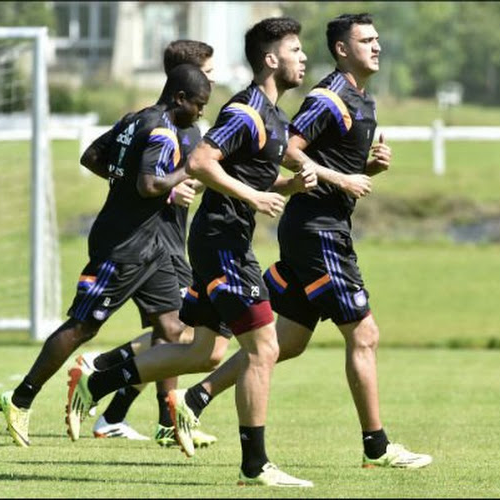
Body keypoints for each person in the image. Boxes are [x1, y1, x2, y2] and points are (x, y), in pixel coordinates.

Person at [165, 13, 432, 470]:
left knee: (284, 341)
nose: (377, 45)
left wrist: (365, 170)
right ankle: (377, 446)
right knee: (364, 334)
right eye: (366, 39)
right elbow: (291, 148)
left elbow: (316, 163)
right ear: (343, 49)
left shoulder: (361, 100)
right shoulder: (329, 97)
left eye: (377, 37)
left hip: (323, 227)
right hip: (318, 232)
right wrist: (341, 178)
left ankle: (196, 396)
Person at [65, 17, 316, 487]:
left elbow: (255, 179)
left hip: (225, 240)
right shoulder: (246, 111)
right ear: (270, 59)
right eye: (295, 50)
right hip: (221, 241)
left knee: (204, 351)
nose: (303, 59)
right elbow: (201, 163)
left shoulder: (278, 119)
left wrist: (288, 184)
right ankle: (254, 466)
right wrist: (254, 198)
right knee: (265, 348)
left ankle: (97, 380)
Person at [0, 63, 212, 448]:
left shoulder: (136, 120)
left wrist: (130, 185)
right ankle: (19, 399)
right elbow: (149, 184)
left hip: (156, 249)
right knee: (83, 327)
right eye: (198, 104)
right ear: (180, 98)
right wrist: (184, 173)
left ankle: (164, 419)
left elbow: (92, 156)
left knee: (172, 327)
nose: (200, 112)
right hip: (123, 247)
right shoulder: (162, 131)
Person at [80, 39, 228, 449]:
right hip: (153, 243)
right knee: (184, 334)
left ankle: (115, 408)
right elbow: (141, 176)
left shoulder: (188, 124)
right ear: (186, 80)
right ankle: (114, 380)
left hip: (170, 241)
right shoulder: (162, 125)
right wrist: (167, 190)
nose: (213, 80)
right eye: (208, 72)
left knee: (177, 333)